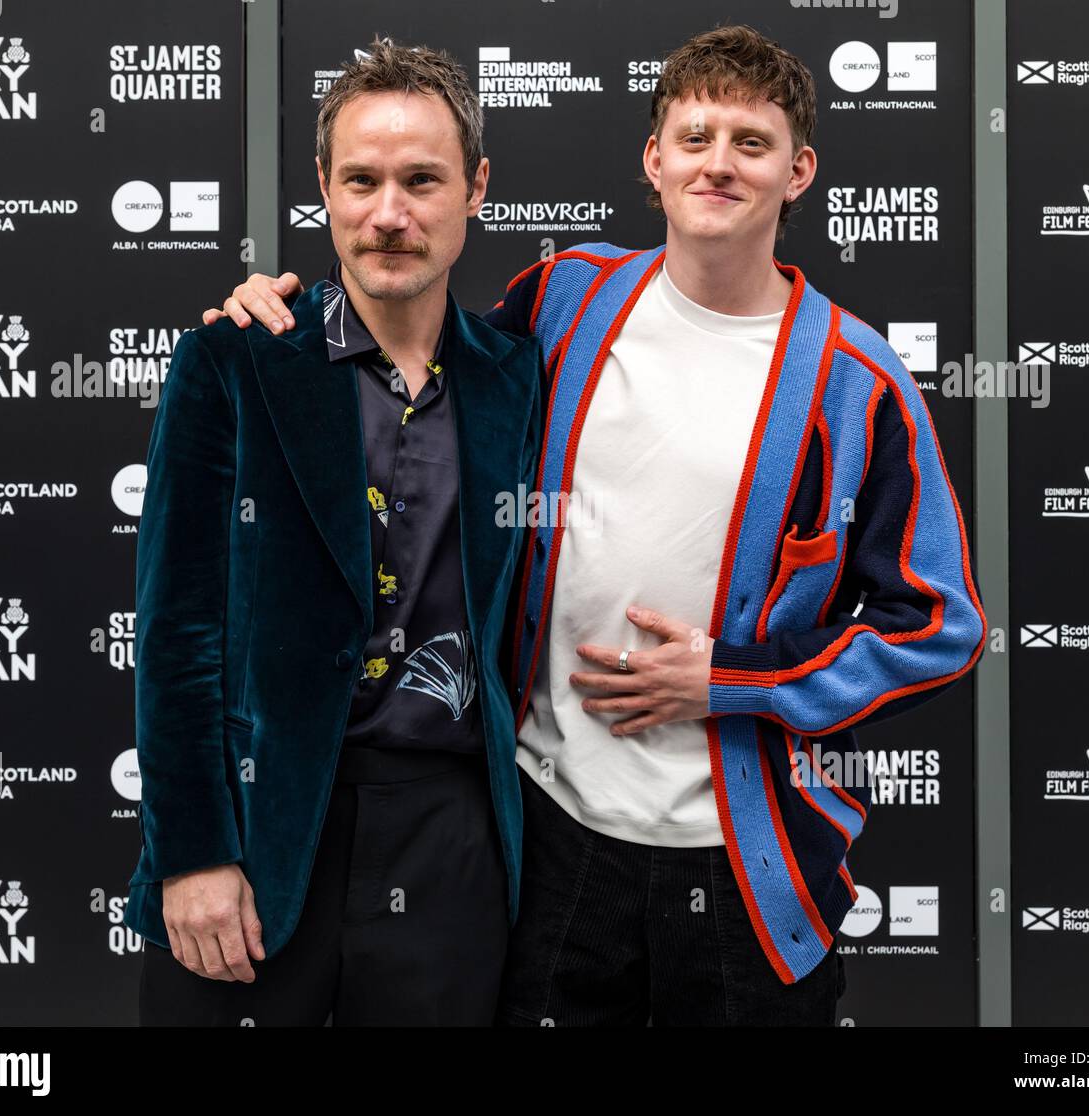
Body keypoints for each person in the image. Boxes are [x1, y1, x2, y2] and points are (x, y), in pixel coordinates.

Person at [206, 24, 986, 1026]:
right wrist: (283, 311)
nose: (718, 163)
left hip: (741, 868)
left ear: (798, 171)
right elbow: (411, 334)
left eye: (750, 143)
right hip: (552, 839)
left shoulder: (855, 382)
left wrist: (732, 678)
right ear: (652, 160)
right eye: (694, 137)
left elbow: (939, 627)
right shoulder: (569, 297)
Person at [124, 37, 544, 1025]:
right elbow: (175, 634)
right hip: (260, 834)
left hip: (452, 849)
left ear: (475, 188)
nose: (388, 214)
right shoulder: (236, 359)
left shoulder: (519, 378)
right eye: (361, 180)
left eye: (421, 180)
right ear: (323, 185)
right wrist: (193, 854)